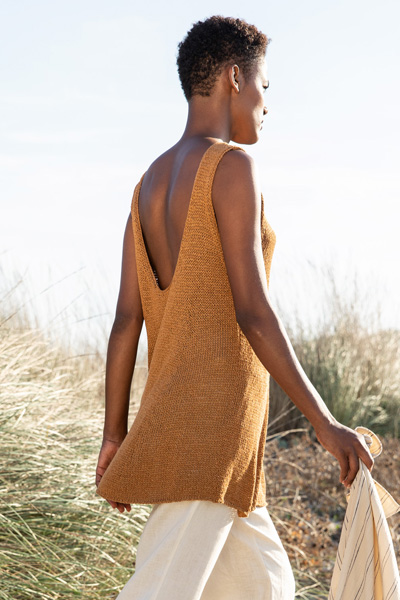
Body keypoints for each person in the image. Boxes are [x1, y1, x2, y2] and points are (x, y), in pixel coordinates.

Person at [95, 15, 374, 600]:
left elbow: (125, 322)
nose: (267, 103)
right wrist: (325, 423)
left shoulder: (146, 186)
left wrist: (114, 437)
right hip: (209, 432)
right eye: (264, 85)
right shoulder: (232, 167)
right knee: (160, 590)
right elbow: (254, 311)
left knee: (267, 587)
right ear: (233, 78)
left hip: (217, 442)